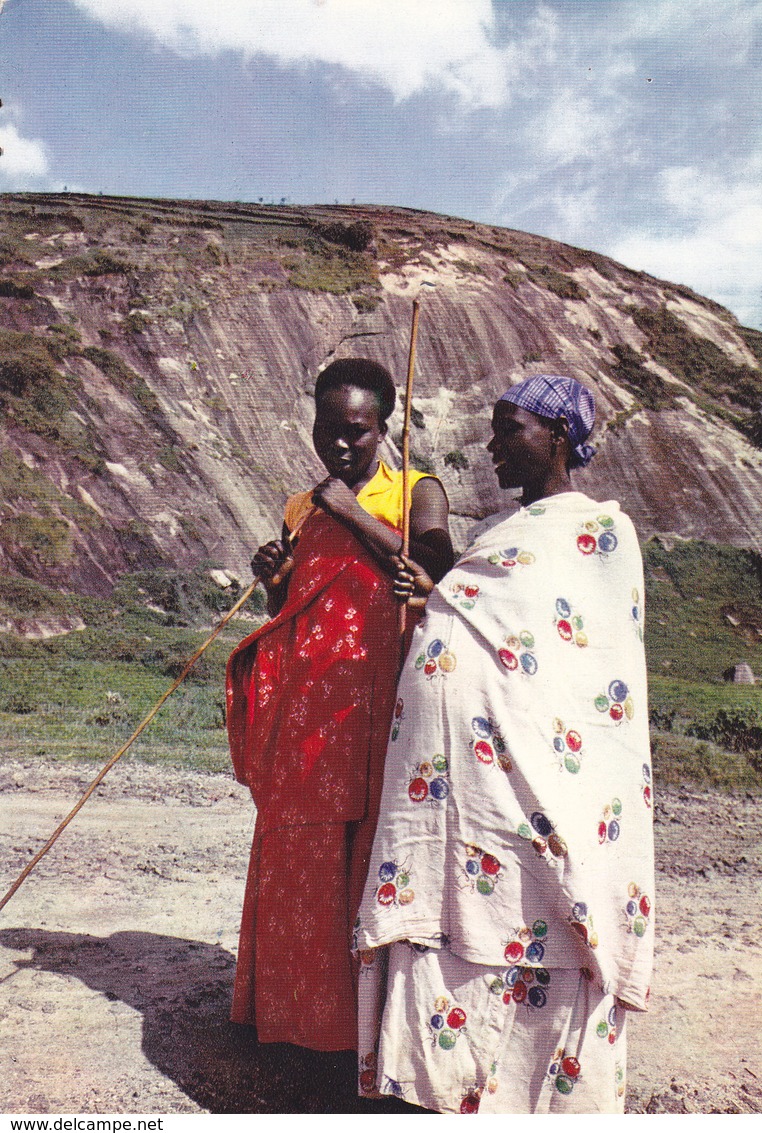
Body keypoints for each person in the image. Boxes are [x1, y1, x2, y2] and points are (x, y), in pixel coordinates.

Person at [352, 374, 654, 1114]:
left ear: (557, 435)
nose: (492, 445)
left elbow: (582, 663)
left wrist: (446, 593)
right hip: (459, 794)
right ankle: (439, 1089)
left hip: (535, 779)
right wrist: (434, 592)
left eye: (508, 428)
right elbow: (472, 612)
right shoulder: (496, 535)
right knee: (453, 924)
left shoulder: (597, 534)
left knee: (535, 911)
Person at [225, 357, 453, 1054]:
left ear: (385, 428)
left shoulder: (418, 492)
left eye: (355, 431)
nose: (341, 445)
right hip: (312, 706)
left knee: (373, 851)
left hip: (382, 701)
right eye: (328, 430)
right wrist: (276, 579)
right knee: (301, 852)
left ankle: (371, 1034)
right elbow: (290, 610)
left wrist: (351, 512)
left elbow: (439, 570)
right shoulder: (300, 505)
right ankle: (297, 1021)